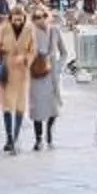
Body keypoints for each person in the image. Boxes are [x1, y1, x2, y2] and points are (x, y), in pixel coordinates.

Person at [0, 5, 40, 152]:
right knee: (7, 105)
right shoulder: (3, 28)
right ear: (11, 18)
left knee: (20, 105)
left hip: (22, 72)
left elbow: (33, 50)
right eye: (15, 19)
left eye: (20, 19)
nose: (18, 22)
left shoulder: (29, 30)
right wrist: (1, 50)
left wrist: (25, 58)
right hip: (6, 71)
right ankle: (8, 138)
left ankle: (16, 136)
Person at [30, 11, 68, 149]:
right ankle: (38, 139)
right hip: (36, 75)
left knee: (53, 108)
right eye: (36, 17)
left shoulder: (55, 31)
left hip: (52, 75)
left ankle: (49, 133)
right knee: (37, 109)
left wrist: (58, 66)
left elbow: (64, 52)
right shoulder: (30, 33)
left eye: (43, 16)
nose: (40, 20)